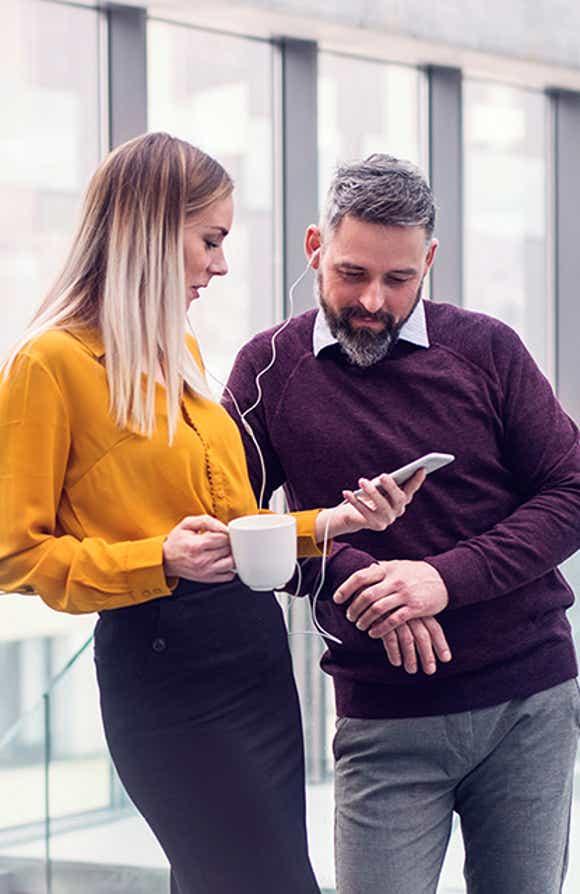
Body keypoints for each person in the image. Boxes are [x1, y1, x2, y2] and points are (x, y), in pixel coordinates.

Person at [0, 135, 426, 894]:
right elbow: (15, 555)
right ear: (152, 233)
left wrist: (339, 522)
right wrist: (156, 559)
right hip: (167, 670)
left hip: (251, 659)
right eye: (210, 240)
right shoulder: (51, 365)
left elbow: (233, 526)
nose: (220, 264)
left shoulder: (178, 354)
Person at [224, 154, 580, 894]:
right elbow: (241, 528)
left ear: (430, 260)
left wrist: (438, 581)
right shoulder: (268, 367)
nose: (374, 303)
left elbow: (569, 490)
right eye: (352, 274)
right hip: (382, 719)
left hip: (528, 708)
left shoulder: (487, 349)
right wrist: (367, 587)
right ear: (315, 246)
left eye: (399, 279)